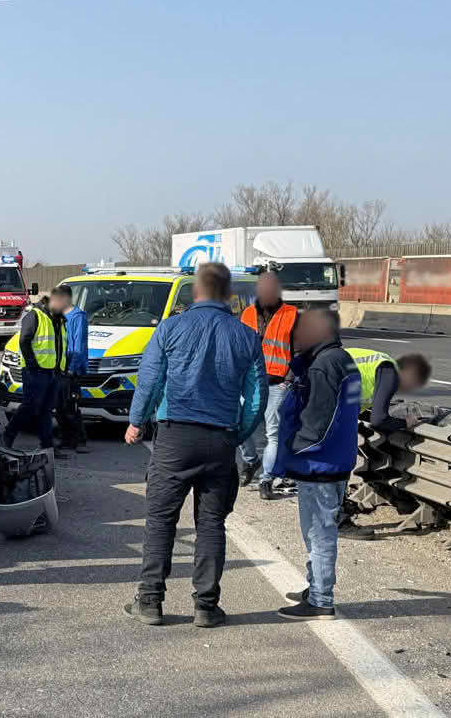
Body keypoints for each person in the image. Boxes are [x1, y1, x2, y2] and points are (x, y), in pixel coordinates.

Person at [124, 263, 266, 629]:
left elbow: (150, 379)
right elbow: (256, 398)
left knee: (160, 519)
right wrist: (237, 434)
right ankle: (206, 605)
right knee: (212, 523)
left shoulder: (170, 328)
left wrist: (137, 421)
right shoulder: (246, 336)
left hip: (175, 436)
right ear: (228, 294)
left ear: (196, 292)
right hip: (220, 438)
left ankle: (150, 601)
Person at [271, 309, 362, 621]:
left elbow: (319, 420)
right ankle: (316, 588)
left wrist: (293, 450)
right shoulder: (340, 359)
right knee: (318, 532)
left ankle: (322, 600)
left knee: (318, 534)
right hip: (334, 459)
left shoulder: (324, 365)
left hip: (319, 463)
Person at [335, 349, 432, 539]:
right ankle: (337, 523)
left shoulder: (375, 362)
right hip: (328, 414)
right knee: (338, 467)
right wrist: (406, 422)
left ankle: (332, 513)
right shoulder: (389, 371)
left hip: (311, 404)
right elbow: (379, 419)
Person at [238, 271, 298, 499]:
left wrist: (289, 380)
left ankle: (266, 479)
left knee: (273, 433)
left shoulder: (292, 315)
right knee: (239, 425)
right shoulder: (247, 314)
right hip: (248, 382)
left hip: (277, 384)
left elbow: (300, 351)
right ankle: (251, 461)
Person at [0, 287, 69, 452]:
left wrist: (62, 369)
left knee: (46, 410)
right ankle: (8, 435)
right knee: (30, 407)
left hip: (53, 372)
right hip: (36, 372)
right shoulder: (35, 315)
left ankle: (47, 446)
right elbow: (24, 341)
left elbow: (60, 345)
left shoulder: (58, 319)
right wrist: (32, 365)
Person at [56, 284, 90, 454]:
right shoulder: (59, 316)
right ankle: (66, 439)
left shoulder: (78, 317)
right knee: (60, 406)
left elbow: (79, 346)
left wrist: (72, 368)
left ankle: (80, 440)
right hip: (60, 368)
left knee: (71, 406)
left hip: (72, 369)